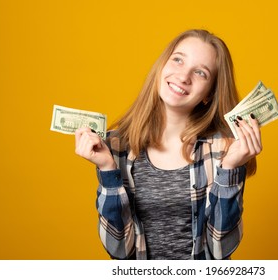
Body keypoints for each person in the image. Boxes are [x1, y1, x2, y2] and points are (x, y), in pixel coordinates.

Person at [75, 29, 262, 260]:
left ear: (209, 94)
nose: (184, 76)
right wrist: (107, 170)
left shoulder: (223, 150)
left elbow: (221, 250)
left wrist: (231, 170)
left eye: (201, 72)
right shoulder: (115, 147)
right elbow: (119, 250)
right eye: (178, 59)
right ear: (162, 66)